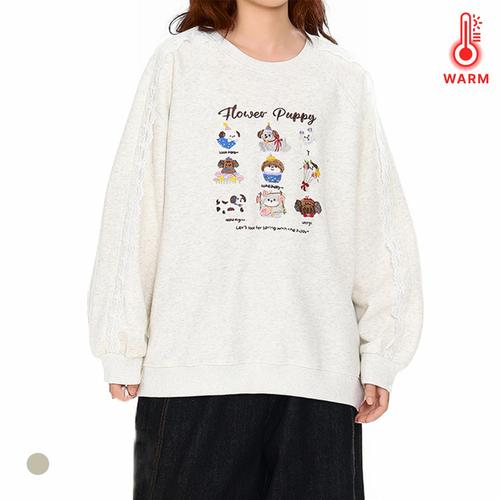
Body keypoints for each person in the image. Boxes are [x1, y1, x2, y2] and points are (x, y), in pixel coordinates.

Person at [87, 0, 424, 498]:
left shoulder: (343, 78)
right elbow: (137, 203)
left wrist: (383, 351)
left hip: (318, 374)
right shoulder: (180, 63)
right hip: (194, 368)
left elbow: (378, 222)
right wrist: (120, 341)